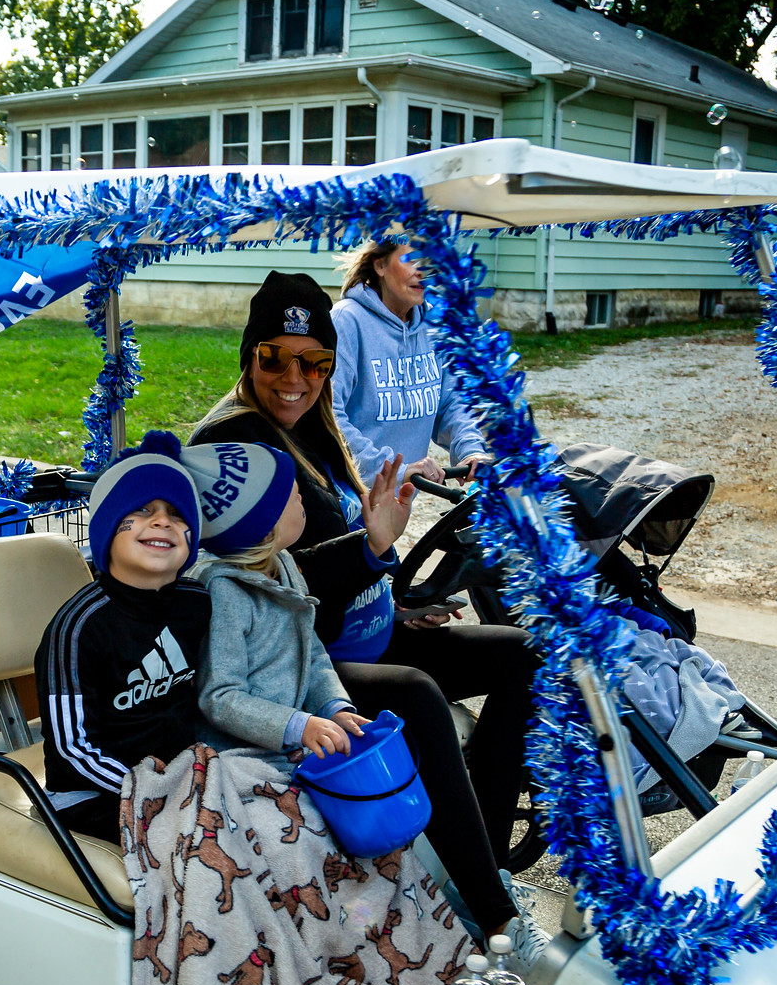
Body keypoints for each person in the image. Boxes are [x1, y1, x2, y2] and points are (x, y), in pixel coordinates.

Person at [190, 271, 542, 873]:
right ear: (249, 357)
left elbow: (351, 550)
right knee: (415, 696)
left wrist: (394, 598)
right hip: (305, 660)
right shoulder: (232, 444)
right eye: (276, 359)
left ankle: (480, 851)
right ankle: (491, 908)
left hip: (369, 631)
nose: (295, 380)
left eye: (315, 363)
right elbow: (265, 581)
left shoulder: (316, 430)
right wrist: (371, 550)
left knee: (524, 651)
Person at [179, 438, 517, 940]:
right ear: (263, 522)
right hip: (253, 755)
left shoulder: (285, 566)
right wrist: (300, 724)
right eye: (291, 495)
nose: (302, 501)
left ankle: (465, 893)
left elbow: (313, 654)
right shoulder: (227, 592)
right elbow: (220, 698)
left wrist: (335, 705)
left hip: (301, 734)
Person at [36, 432, 211, 844]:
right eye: (142, 509)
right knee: (209, 844)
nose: (162, 521)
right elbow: (72, 748)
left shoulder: (198, 604)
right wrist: (155, 789)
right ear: (109, 531)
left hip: (182, 780)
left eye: (176, 514)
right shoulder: (79, 627)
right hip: (90, 794)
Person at [329, 240, 489, 485]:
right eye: (412, 260)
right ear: (380, 265)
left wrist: (470, 450)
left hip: (396, 502)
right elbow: (329, 415)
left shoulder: (436, 325)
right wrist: (395, 470)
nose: (422, 271)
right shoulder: (346, 322)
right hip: (347, 499)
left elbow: (451, 403)